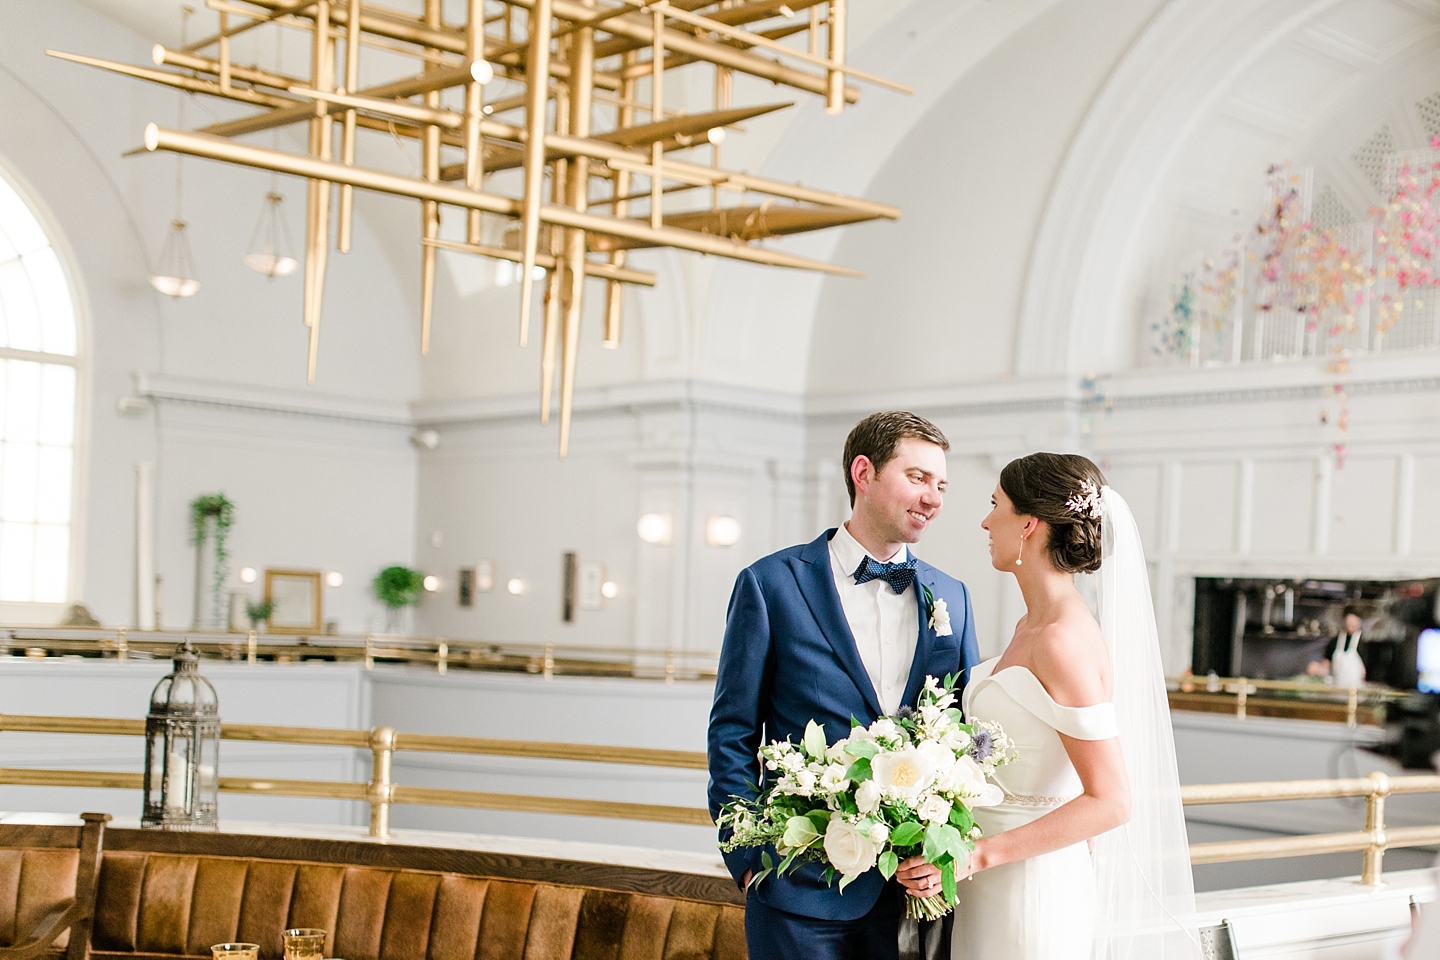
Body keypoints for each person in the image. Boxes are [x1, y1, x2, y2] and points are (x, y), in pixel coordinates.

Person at [708, 411, 982, 960]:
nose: (934, 498)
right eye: (918, 478)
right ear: (863, 471)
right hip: (796, 891)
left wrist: (945, 854)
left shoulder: (950, 595)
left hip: (909, 897)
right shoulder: (771, 584)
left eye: (941, 485)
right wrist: (748, 863)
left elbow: (964, 737)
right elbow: (733, 731)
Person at [928, 452, 1199, 960]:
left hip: (1030, 885)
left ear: (1028, 524)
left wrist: (979, 854)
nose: (986, 521)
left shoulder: (1062, 640)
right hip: (990, 881)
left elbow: (1112, 801)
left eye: (995, 506)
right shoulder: (1028, 627)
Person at [1331, 607, 1367, 689]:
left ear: (1359, 621)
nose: (1351, 626)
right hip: (1337, 688)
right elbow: (1327, 663)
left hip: (1358, 689)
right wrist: (1319, 669)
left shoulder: (1365, 641)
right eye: (1349, 623)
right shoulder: (1336, 640)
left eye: (1354, 622)